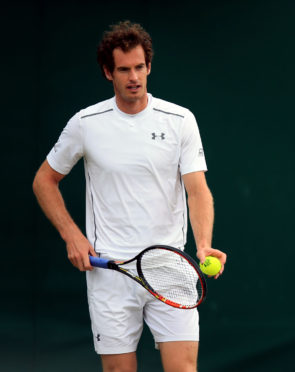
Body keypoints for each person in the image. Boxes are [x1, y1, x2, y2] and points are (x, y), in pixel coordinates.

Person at [32, 20, 226, 372]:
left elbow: (197, 190)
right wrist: (72, 235)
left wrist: (203, 244)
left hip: (169, 267)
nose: (133, 76)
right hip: (110, 272)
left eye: (139, 67)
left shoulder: (180, 120)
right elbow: (44, 180)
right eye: (124, 69)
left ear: (149, 67)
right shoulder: (85, 123)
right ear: (109, 72)